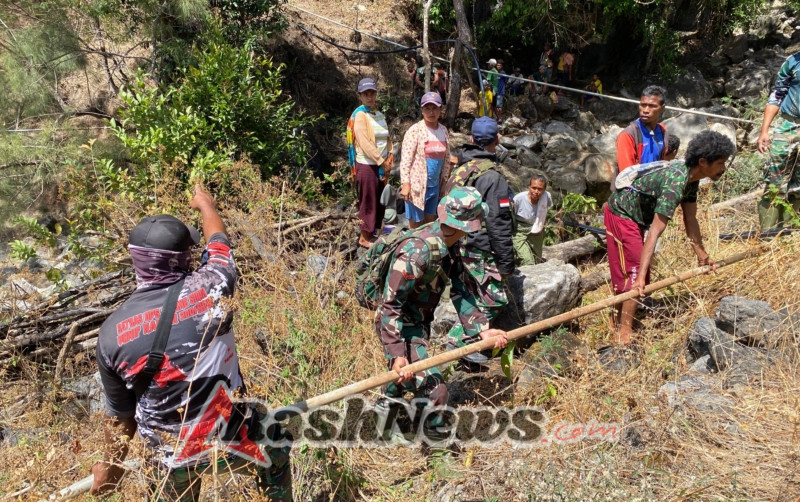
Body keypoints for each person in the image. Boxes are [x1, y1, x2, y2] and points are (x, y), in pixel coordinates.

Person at [91, 185, 291, 501]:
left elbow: (121, 420)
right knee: (276, 442)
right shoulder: (216, 284)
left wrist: (108, 472)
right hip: (235, 440)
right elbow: (218, 239)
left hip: (171, 460)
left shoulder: (110, 335)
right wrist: (206, 205)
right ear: (185, 258)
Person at [376, 187, 508, 426]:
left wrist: (482, 329)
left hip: (417, 321)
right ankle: (437, 449)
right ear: (466, 225)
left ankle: (382, 419)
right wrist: (397, 353)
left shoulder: (450, 244)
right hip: (399, 324)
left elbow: (461, 288)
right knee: (435, 390)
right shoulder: (417, 252)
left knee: (404, 376)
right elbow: (389, 305)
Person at [604, 131, 735, 345]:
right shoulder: (676, 181)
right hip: (621, 214)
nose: (723, 168)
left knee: (639, 274)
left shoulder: (692, 179)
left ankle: (619, 318)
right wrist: (641, 276)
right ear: (703, 162)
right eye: (720, 163)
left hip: (637, 219)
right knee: (635, 271)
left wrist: (701, 255)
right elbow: (656, 231)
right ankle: (623, 330)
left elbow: (690, 218)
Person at [444, 117, 515, 365]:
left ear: (472, 139)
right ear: (497, 140)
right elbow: (498, 222)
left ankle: (470, 346)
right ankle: (457, 342)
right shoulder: (493, 177)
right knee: (495, 299)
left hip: (455, 243)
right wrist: (506, 262)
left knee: (471, 295)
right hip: (479, 247)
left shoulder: (460, 169)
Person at [756, 51, 800, 230]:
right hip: (787, 126)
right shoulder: (792, 62)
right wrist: (764, 130)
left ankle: (791, 233)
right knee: (775, 182)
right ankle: (767, 234)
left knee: (798, 186)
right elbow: (777, 95)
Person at [350, 78, 393, 248]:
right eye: (366, 94)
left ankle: (373, 232)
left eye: (372, 94)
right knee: (368, 200)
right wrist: (381, 160)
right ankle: (364, 236)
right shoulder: (360, 115)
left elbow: (386, 138)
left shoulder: (378, 113)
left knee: (379, 198)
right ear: (360, 96)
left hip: (381, 164)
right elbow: (364, 141)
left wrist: (389, 156)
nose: (369, 97)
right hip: (367, 164)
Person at [399, 91, 451, 229]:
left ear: (440, 110)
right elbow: (406, 160)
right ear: (422, 110)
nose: (431, 112)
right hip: (417, 186)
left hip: (435, 186)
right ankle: (413, 249)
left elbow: (447, 158)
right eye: (427, 108)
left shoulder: (444, 131)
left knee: (430, 223)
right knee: (415, 225)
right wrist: (405, 184)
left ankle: (426, 249)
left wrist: (444, 181)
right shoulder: (415, 131)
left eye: (435, 108)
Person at [616, 85, 670, 171]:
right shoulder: (628, 135)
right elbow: (626, 176)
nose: (645, 110)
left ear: (662, 108)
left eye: (652, 106)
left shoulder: (662, 132)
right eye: (643, 105)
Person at [513, 173, 552, 265]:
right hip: (520, 231)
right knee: (527, 260)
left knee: (537, 259)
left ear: (544, 190)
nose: (536, 191)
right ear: (529, 187)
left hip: (537, 231)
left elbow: (547, 209)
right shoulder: (518, 199)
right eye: (533, 188)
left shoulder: (546, 197)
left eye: (539, 189)